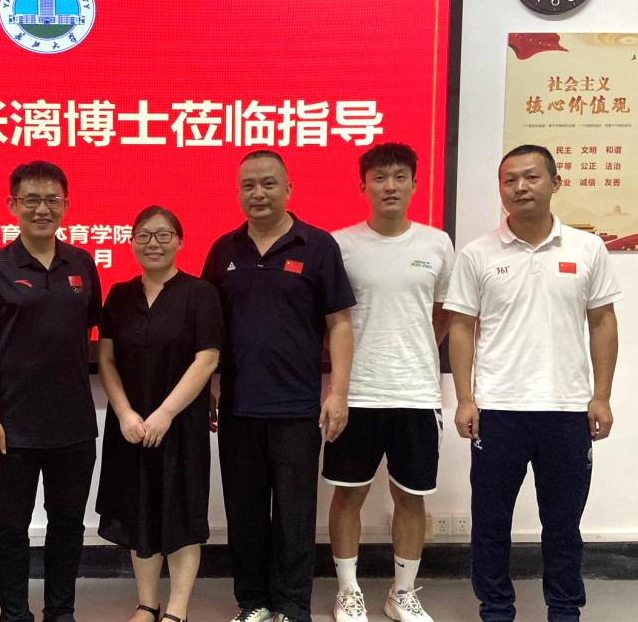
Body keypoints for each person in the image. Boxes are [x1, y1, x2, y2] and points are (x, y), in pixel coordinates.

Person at [445, 144, 621, 622]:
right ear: (500, 189)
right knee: (491, 523)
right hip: (498, 410)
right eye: (509, 180)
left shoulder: (587, 249)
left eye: (531, 177)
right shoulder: (478, 253)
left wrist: (601, 396)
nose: (519, 187)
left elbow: (602, 322)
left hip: (567, 411)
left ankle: (564, 610)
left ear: (555, 183)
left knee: (563, 525)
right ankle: (495, 608)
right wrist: (465, 398)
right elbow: (461, 327)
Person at [202, 150, 356, 622]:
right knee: (244, 512)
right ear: (238, 192)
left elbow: (340, 323)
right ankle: (253, 602)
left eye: (268, 183)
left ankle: (292, 606)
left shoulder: (318, 245)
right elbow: (207, 328)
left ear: (288, 189)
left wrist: (338, 392)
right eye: (248, 185)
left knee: (294, 513)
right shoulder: (223, 251)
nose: (258, 193)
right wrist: (209, 384)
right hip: (238, 406)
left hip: (296, 406)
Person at [0, 160, 101, 622]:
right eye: (32, 200)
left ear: (65, 205)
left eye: (52, 200)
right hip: (13, 426)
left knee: (68, 525)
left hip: (74, 425)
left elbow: (89, 333)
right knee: (11, 527)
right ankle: (14, 614)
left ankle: (61, 611)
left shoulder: (82, 264)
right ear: (12, 205)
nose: (43, 209)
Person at [323, 143, 454, 622]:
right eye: (379, 177)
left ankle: (402, 594)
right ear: (363, 186)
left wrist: (415, 347)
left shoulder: (437, 243)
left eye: (400, 176)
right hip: (356, 393)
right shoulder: (340, 245)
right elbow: (329, 317)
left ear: (415, 184)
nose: (390, 186)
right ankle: (348, 591)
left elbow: (444, 311)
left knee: (410, 497)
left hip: (416, 393)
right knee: (348, 494)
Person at [97, 206, 223, 622]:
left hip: (180, 424)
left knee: (183, 513)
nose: (154, 243)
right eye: (144, 235)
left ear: (180, 242)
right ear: (132, 242)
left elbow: (207, 359)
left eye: (164, 235)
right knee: (139, 514)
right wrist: (124, 413)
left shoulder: (200, 293)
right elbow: (107, 359)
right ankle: (146, 604)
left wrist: (166, 413)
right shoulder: (119, 295)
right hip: (131, 426)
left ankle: (177, 609)